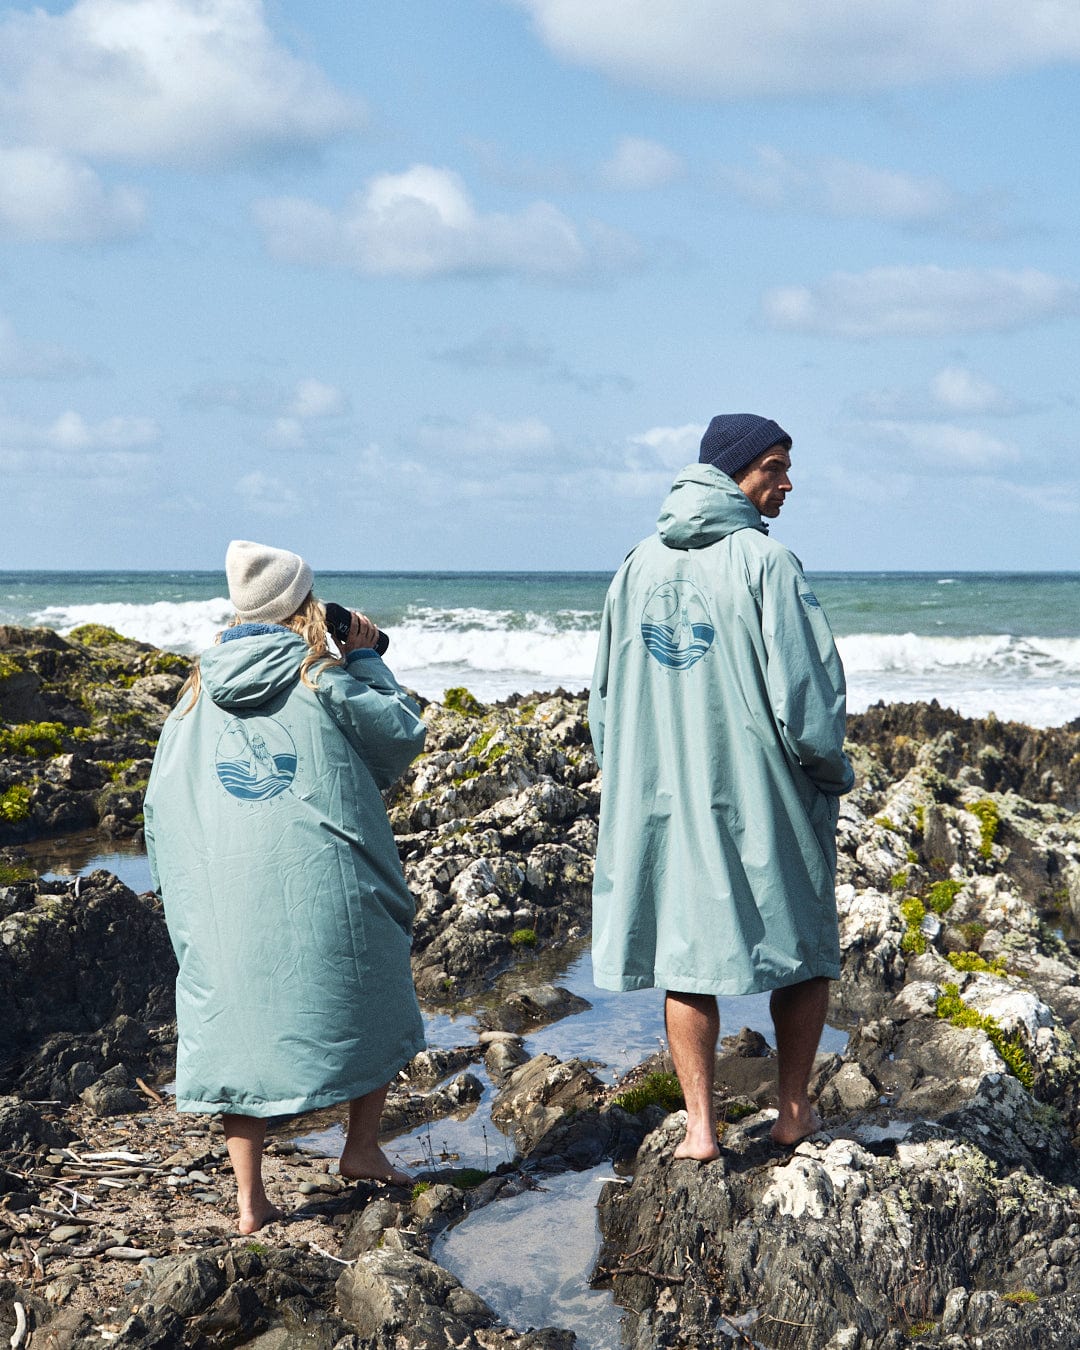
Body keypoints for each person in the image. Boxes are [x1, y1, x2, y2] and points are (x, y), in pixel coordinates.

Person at [589, 414, 854, 1159]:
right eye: (775, 467)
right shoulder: (767, 564)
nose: (787, 483)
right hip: (761, 794)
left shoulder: (635, 564)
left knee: (683, 953)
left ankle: (700, 1128)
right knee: (803, 944)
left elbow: (603, 700)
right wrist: (830, 774)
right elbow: (808, 702)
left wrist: (628, 780)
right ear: (738, 470)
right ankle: (794, 1109)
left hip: (659, 797)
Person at [145, 540, 427, 1232]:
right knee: (373, 982)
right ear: (305, 607)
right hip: (322, 880)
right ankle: (361, 1147)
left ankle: (250, 1200)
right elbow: (401, 737)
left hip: (224, 893)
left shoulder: (192, 696)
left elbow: (160, 807)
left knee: (238, 1027)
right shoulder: (321, 679)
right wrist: (364, 657)